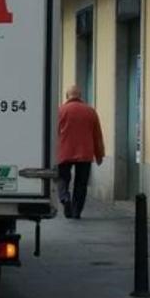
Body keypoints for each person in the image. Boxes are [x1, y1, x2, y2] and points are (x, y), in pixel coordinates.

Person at [57, 85, 104, 219]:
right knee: (81, 183)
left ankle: (65, 198)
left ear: (67, 96)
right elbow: (97, 135)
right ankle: (76, 211)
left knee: (62, 178)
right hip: (85, 153)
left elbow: (53, 134)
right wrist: (99, 154)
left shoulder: (60, 111)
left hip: (64, 152)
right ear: (80, 96)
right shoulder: (90, 111)